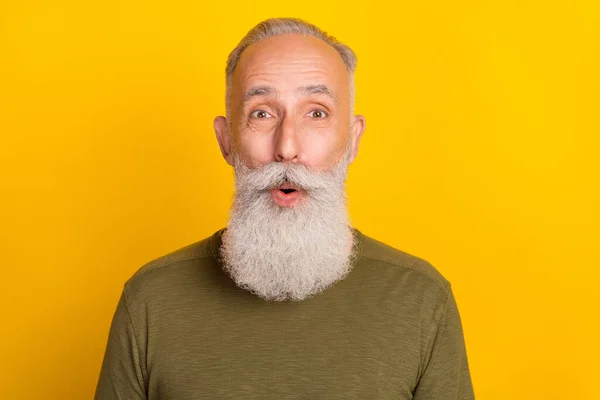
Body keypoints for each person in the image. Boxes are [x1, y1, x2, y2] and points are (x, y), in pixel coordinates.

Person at [94, 17, 474, 400]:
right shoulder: (149, 300)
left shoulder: (422, 299)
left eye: (317, 113)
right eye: (262, 113)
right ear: (227, 141)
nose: (287, 147)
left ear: (353, 140)